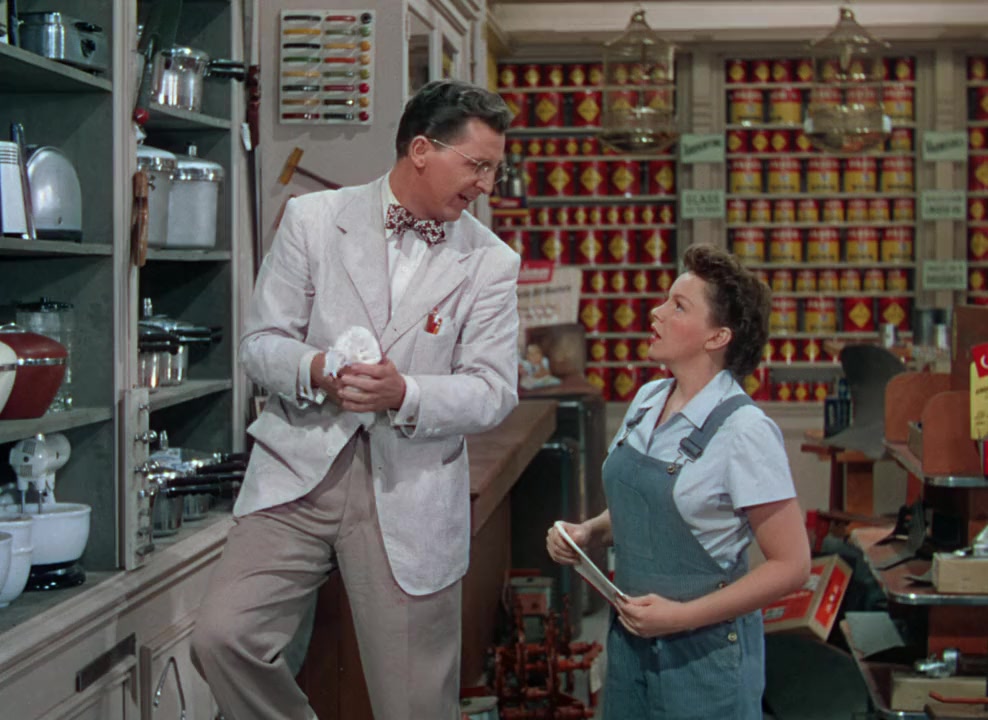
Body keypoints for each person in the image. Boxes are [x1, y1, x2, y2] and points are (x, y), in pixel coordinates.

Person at [191, 80, 520, 720]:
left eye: (493, 170)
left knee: (415, 705)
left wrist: (406, 392)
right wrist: (316, 369)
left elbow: (493, 390)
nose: (486, 184)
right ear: (421, 150)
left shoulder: (490, 263)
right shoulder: (314, 220)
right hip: (299, 472)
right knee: (223, 638)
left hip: (411, 487)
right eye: (477, 165)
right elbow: (260, 344)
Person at [547, 243, 811, 719]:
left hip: (704, 659)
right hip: (630, 644)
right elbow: (647, 509)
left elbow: (791, 566)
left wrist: (680, 617)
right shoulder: (649, 399)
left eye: (679, 306)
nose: (658, 311)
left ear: (718, 336)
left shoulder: (746, 432)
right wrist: (589, 532)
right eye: (666, 300)